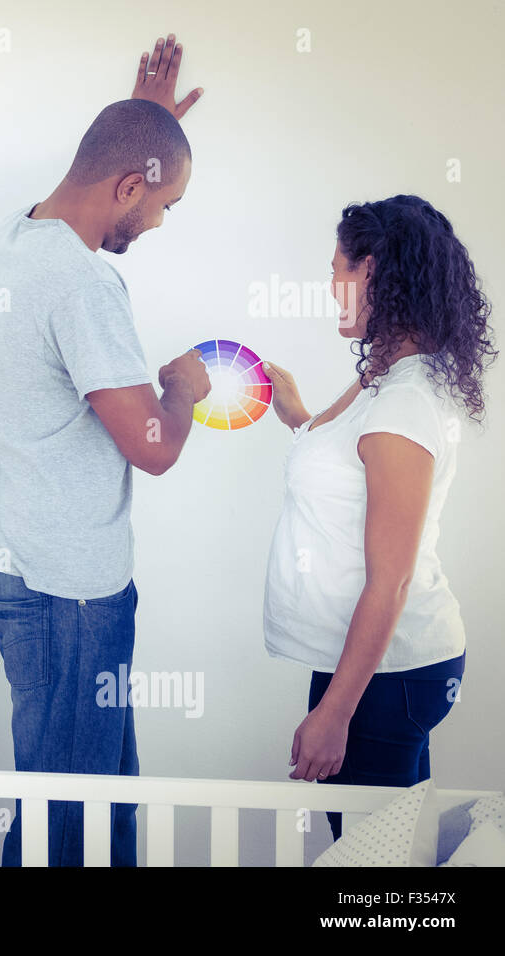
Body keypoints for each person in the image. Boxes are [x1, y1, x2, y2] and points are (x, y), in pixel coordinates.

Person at [0, 35, 209, 866]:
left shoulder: (12, 240)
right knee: (61, 824)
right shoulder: (82, 284)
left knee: (96, 798)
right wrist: (182, 388)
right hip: (69, 593)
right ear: (128, 184)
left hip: (24, 570)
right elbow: (153, 448)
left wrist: (148, 124)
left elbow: (104, 161)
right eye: (159, 205)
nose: (154, 223)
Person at [262, 195, 496, 840]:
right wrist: (293, 412)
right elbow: (340, 454)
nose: (330, 284)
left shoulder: (403, 404)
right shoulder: (387, 378)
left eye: (337, 268)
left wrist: (336, 712)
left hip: (385, 672)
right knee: (396, 855)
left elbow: (390, 579)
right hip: (371, 660)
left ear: (372, 273)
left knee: (375, 867)